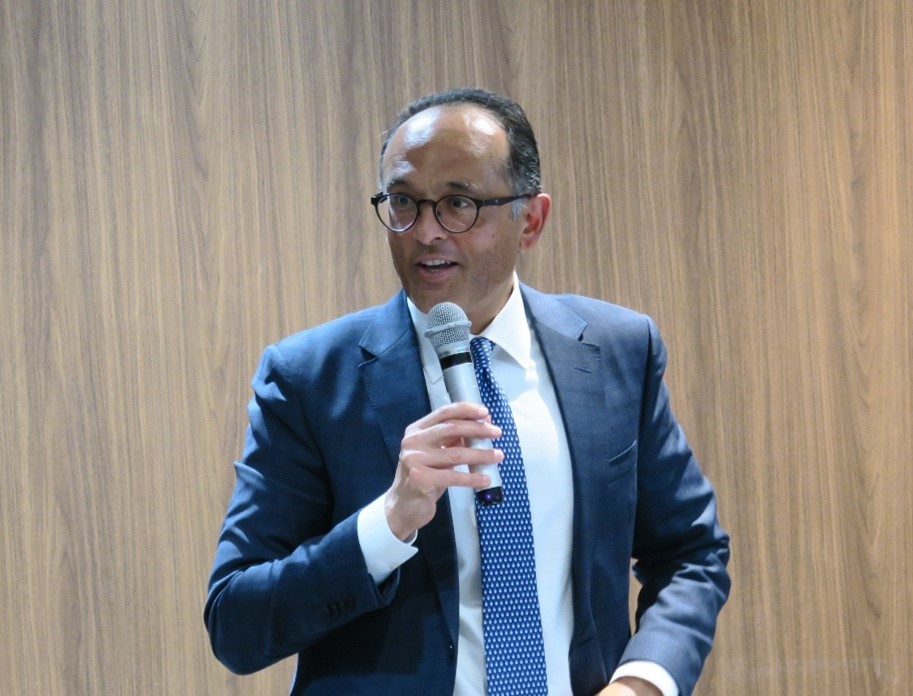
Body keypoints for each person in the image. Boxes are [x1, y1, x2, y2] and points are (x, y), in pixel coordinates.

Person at [204, 87, 730, 696]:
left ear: (530, 220)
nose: (426, 231)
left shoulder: (619, 351)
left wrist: (643, 683)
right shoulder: (308, 379)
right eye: (404, 202)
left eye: (459, 203)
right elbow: (235, 623)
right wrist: (386, 523)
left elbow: (691, 554)